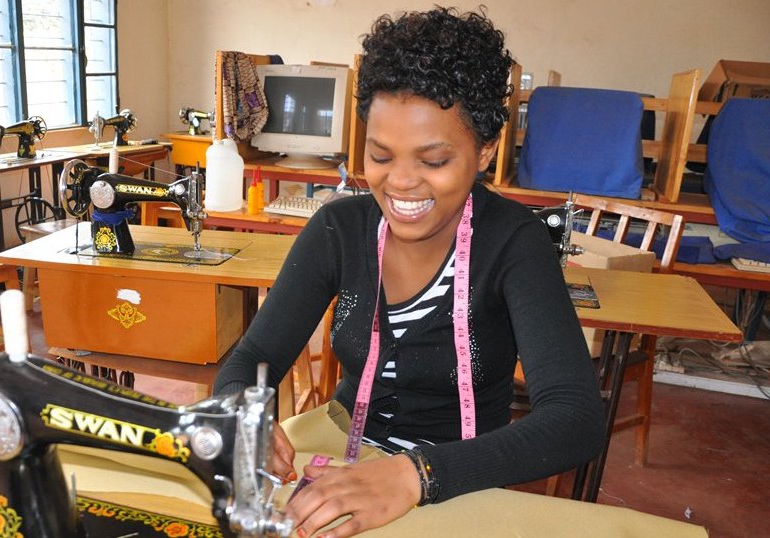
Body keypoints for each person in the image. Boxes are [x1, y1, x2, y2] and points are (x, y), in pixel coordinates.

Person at [213, 6, 604, 537]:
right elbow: (252, 358)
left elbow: (576, 419)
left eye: (433, 161)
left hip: (458, 471)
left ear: (485, 150)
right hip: (340, 445)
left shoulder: (514, 243)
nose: (400, 182)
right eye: (380, 156)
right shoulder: (339, 230)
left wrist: (417, 475)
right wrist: (243, 408)